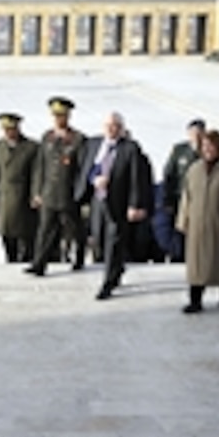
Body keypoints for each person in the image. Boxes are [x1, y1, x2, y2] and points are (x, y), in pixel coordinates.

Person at [76, 112, 147, 300]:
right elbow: (86, 168)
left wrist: (135, 204)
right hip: (97, 200)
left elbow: (135, 178)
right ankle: (118, 268)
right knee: (99, 239)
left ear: (121, 128)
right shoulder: (93, 144)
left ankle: (108, 282)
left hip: (119, 202)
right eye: (108, 125)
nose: (111, 128)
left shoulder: (130, 148)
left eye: (115, 125)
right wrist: (93, 180)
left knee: (113, 242)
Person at [176, 130, 219, 313]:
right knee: (196, 265)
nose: (207, 150)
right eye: (204, 146)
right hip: (197, 225)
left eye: (211, 146)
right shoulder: (195, 169)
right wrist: (183, 219)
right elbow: (187, 196)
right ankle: (195, 300)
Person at [26, 96, 86, 276]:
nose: (58, 119)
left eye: (62, 116)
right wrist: (37, 191)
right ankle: (39, 264)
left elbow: (81, 168)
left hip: (68, 193)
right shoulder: (47, 137)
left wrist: (80, 193)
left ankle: (79, 258)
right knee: (44, 230)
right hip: (49, 193)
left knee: (74, 229)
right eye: (55, 116)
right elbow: (40, 167)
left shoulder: (77, 139)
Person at [0, 113, 38, 263]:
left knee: (24, 232)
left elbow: (36, 174)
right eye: (5, 129)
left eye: (11, 129)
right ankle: (11, 259)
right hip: (4, 195)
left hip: (22, 194)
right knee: (6, 232)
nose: (8, 133)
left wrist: (35, 194)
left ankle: (25, 259)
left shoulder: (30, 147)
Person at [162, 118, 206, 262]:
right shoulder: (179, 150)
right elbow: (169, 174)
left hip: (202, 201)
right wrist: (167, 198)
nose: (196, 136)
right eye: (193, 133)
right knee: (180, 229)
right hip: (180, 198)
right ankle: (179, 258)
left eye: (199, 133)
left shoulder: (208, 151)